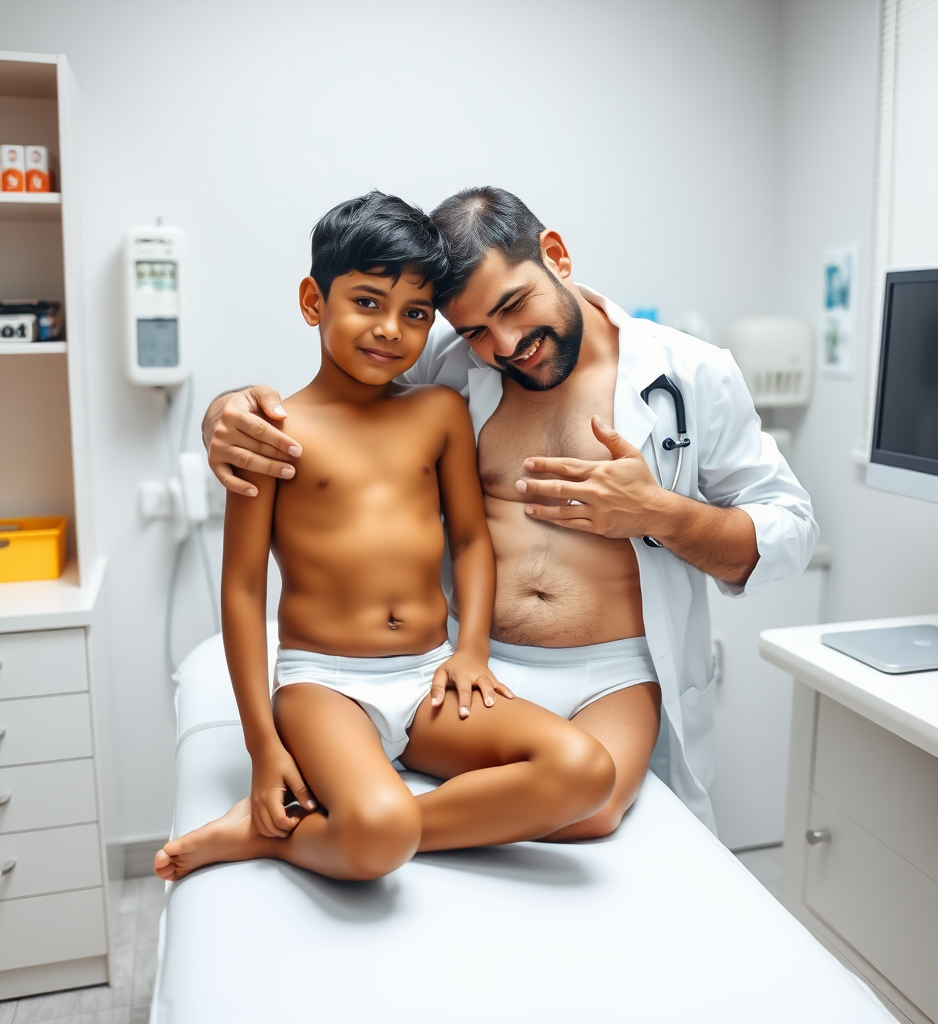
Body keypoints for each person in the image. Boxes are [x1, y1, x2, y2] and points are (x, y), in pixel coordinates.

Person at [202, 187, 818, 836]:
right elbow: (347, 415)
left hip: (617, 670)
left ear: (556, 255)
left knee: (596, 804)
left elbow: (792, 529)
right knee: (561, 792)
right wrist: (226, 412)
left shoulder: (691, 373)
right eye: (474, 328)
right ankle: (367, 830)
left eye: (514, 305)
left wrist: (660, 513)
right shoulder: (451, 369)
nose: (505, 345)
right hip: (476, 668)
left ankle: (365, 832)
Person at [155, 193, 615, 882]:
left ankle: (305, 833)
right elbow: (244, 589)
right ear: (314, 301)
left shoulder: (439, 412)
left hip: (429, 677)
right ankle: (300, 833)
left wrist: (471, 652)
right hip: (327, 688)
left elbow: (469, 540)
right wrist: (264, 747)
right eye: (366, 302)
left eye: (416, 314)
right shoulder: (273, 431)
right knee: (380, 834)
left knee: (585, 772)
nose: (390, 330)